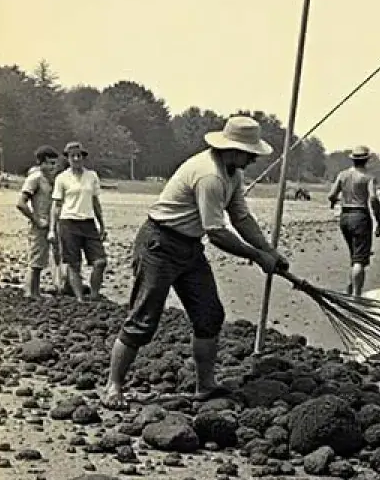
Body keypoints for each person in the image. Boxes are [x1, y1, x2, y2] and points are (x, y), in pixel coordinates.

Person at [103, 115, 288, 410]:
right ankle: (113, 386)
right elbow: (215, 232)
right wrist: (256, 256)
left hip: (189, 247)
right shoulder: (209, 175)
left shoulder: (233, 173)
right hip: (159, 244)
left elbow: (240, 216)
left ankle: (206, 385)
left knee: (210, 315)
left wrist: (268, 250)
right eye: (250, 152)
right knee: (143, 320)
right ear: (233, 149)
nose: (253, 158)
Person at [49, 141, 108, 301]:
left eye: (79, 155)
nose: (76, 158)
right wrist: (52, 229)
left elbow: (95, 202)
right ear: (67, 158)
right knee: (73, 263)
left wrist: (102, 224)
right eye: (72, 156)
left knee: (100, 261)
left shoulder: (92, 176)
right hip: (68, 222)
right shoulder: (62, 178)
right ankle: (80, 299)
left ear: (83, 157)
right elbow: (56, 205)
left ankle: (95, 295)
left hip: (88, 222)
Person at [328, 145, 380, 297]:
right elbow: (373, 198)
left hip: (345, 216)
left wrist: (334, 203)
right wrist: (378, 220)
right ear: (366, 160)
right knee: (360, 259)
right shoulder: (368, 178)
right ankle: (357, 296)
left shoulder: (343, 175)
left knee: (355, 255)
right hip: (360, 215)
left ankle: (351, 286)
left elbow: (332, 195)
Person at [16, 145, 61, 298]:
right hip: (40, 224)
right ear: (41, 163)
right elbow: (21, 203)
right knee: (36, 260)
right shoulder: (35, 179)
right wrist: (36, 219)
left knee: (47, 259)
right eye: (49, 163)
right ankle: (31, 292)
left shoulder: (54, 180)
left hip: (53, 224)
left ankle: (38, 291)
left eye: (54, 163)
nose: (52, 167)